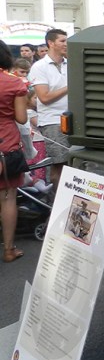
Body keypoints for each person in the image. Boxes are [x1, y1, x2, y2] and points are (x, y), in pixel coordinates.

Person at [27, 29, 69, 189]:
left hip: (73, 119)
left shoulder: (69, 63)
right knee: (59, 165)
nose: (66, 44)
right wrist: (69, 87)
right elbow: (44, 97)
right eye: (62, 41)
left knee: (72, 164)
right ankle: (56, 204)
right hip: (53, 121)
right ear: (51, 43)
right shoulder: (39, 66)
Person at [0, 40, 30, 263]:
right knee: (8, 198)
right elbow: (21, 118)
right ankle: (9, 249)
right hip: (6, 144)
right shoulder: (14, 83)